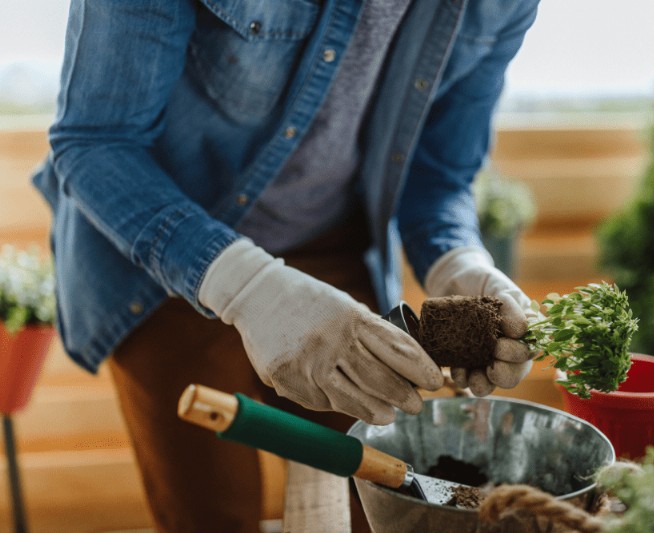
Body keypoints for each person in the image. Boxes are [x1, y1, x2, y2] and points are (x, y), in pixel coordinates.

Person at [33, 0, 542, 531]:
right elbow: (97, 141)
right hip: (166, 258)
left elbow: (440, 175)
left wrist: (459, 260)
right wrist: (252, 289)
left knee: (377, 506)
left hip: (334, 248)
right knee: (212, 512)